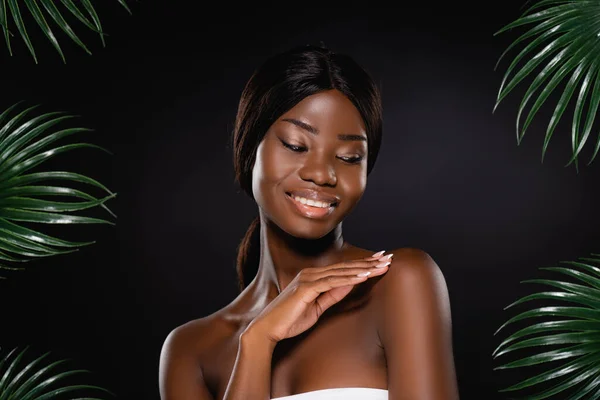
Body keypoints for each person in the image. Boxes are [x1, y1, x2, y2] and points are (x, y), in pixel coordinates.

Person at [158, 45, 459, 400]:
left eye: (349, 157)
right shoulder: (190, 350)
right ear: (249, 149)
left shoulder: (400, 282)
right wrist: (257, 342)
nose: (322, 174)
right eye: (296, 145)